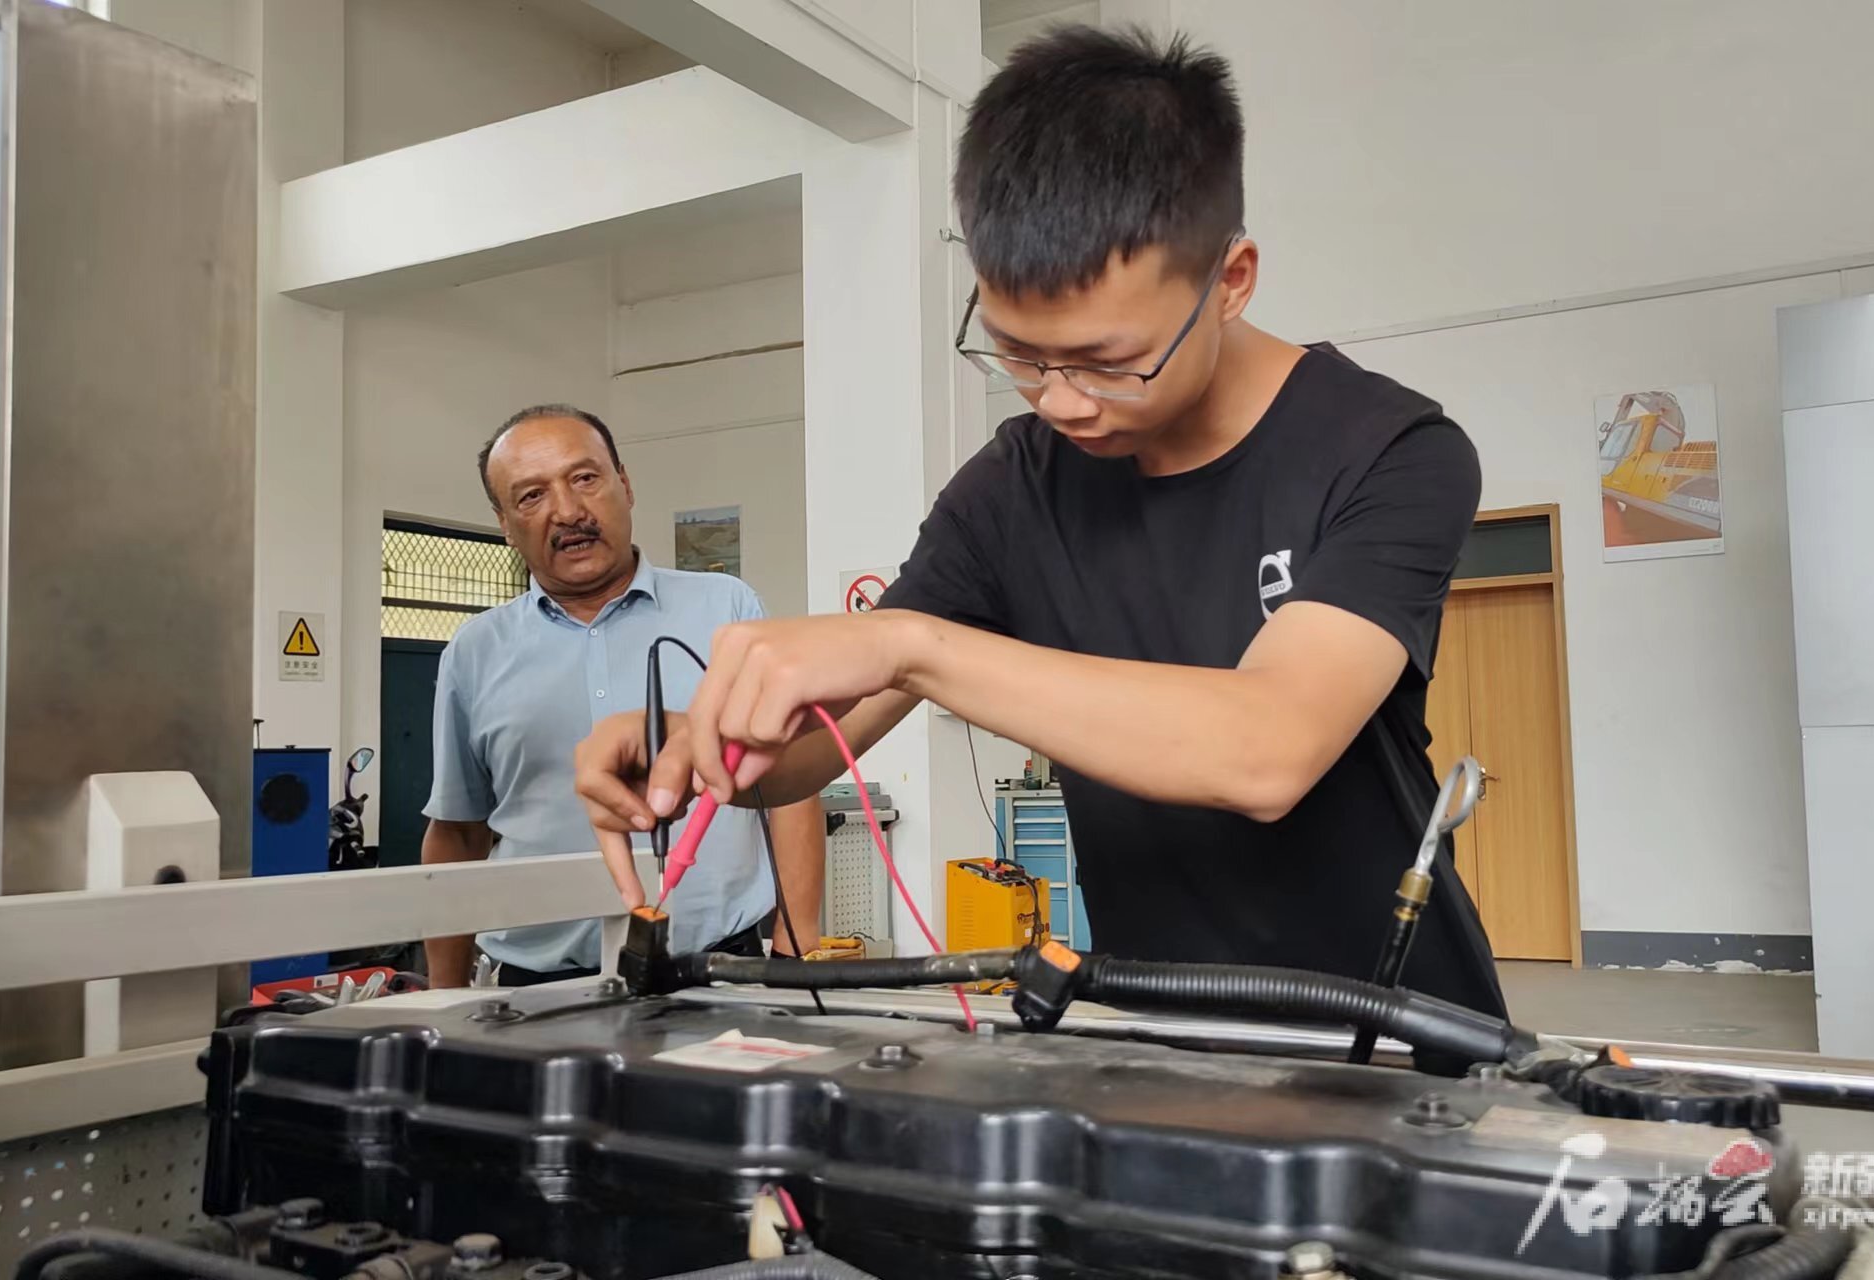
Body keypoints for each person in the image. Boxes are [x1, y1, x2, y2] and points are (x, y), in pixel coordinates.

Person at [573, 27, 1503, 1022]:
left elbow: (1267, 749)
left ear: (1229, 280)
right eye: (1017, 353)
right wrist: (702, 744)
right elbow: (819, 747)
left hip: (1397, 1027)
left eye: (1109, 362)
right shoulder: (1013, 487)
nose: (1059, 400)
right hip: (1159, 1029)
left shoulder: (1387, 449)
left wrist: (908, 645)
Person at [421, 404, 826, 987]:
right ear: (505, 524)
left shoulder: (726, 608)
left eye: (585, 478)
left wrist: (794, 948)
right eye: (532, 496)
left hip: (719, 968)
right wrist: (444, 995)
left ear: (625, 485)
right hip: (538, 985)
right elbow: (459, 830)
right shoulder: (475, 650)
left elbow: (790, 782)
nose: (568, 511)